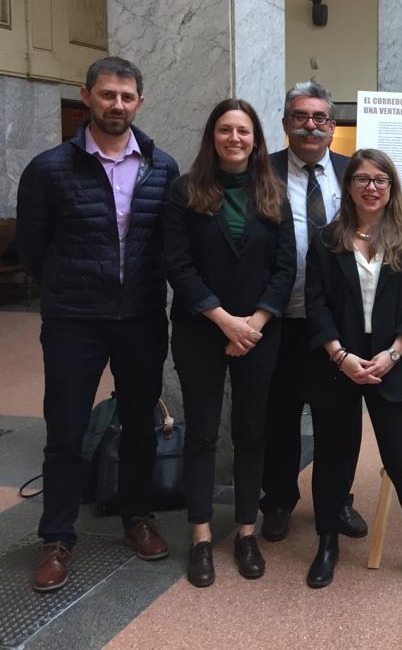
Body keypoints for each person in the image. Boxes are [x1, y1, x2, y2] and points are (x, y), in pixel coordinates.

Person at [16, 56, 179, 593]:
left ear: (140, 102)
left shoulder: (161, 166)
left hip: (140, 318)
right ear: (86, 96)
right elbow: (33, 250)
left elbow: (166, 245)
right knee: (64, 430)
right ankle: (57, 538)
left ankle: (137, 518)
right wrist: (72, 288)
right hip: (73, 322)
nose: (117, 105)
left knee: (139, 425)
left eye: (127, 97)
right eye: (107, 95)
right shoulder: (48, 168)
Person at [165, 99, 296, 587]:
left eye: (243, 130)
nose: (235, 138)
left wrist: (254, 324)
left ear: (256, 138)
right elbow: (177, 264)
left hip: (261, 333)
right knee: (201, 433)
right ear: (212, 136)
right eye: (225, 130)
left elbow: (286, 268)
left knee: (251, 432)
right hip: (202, 330)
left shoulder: (273, 191)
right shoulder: (186, 191)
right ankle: (201, 536)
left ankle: (245, 532)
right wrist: (226, 322)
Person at [303, 149, 402, 592]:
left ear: (391, 186)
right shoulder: (328, 238)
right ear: (350, 186)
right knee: (332, 462)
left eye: (380, 179)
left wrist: (394, 353)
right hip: (336, 364)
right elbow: (316, 304)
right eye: (362, 179)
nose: (371, 187)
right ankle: (326, 544)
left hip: (390, 364)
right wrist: (340, 355)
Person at [259, 81, 366, 543]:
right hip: (277, 320)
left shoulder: (353, 175)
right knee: (278, 417)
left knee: (339, 422)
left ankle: (337, 500)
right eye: (300, 116)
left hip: (340, 325)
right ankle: (279, 501)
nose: (310, 125)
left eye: (320, 118)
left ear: (332, 126)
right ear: (285, 124)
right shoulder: (259, 174)